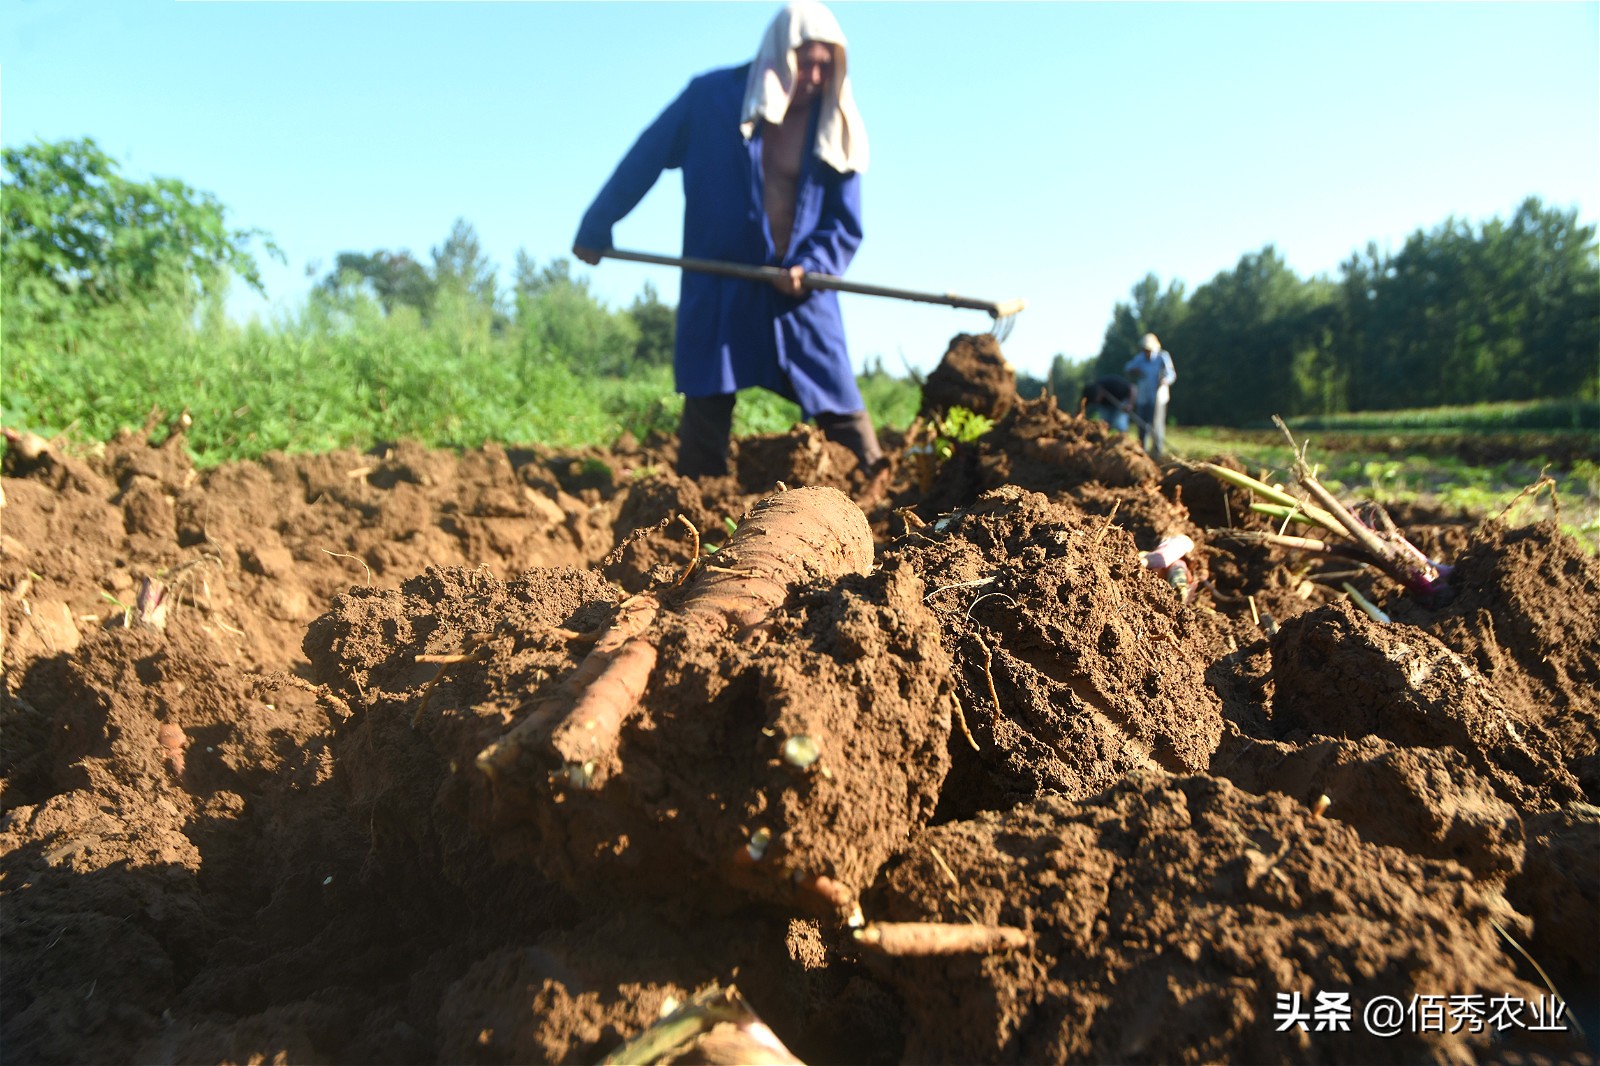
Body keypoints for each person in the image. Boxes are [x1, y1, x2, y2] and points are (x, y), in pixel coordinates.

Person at [573, 1, 883, 479]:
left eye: (827, 65)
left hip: (800, 292)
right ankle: (695, 507)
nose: (816, 77)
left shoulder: (835, 125)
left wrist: (812, 265)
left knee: (840, 408)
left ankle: (880, 492)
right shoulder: (710, 99)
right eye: (806, 63)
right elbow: (645, 157)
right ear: (779, 54)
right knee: (705, 414)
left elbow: (844, 223)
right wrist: (597, 225)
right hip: (721, 279)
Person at [1124, 333, 1177, 459]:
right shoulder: (1140, 358)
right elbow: (1128, 367)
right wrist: (1134, 370)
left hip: (1158, 398)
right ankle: (1142, 452)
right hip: (1143, 397)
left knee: (1157, 426)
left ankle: (1157, 453)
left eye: (1148, 350)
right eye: (1144, 350)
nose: (1146, 352)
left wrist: (1165, 380)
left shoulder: (1162, 357)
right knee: (1142, 425)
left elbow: (1171, 374)